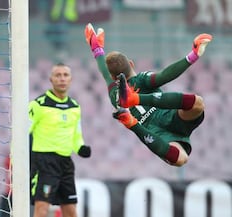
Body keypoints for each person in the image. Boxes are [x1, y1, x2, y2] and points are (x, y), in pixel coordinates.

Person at [84, 23, 212, 166]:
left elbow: (106, 74)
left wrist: (97, 51)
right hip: (168, 116)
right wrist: (192, 56)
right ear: (131, 64)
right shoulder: (142, 79)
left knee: (180, 159)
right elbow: (164, 76)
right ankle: (136, 100)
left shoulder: (115, 95)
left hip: (154, 132)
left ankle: (133, 122)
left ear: (114, 78)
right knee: (198, 103)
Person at [29, 62, 91, 217]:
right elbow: (23, 131)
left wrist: (80, 148)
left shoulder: (74, 106)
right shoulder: (38, 105)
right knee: (42, 209)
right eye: (58, 75)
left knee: (71, 212)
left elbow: (76, 134)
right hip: (44, 162)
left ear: (71, 79)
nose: (62, 79)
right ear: (51, 79)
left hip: (65, 163)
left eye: (65, 75)